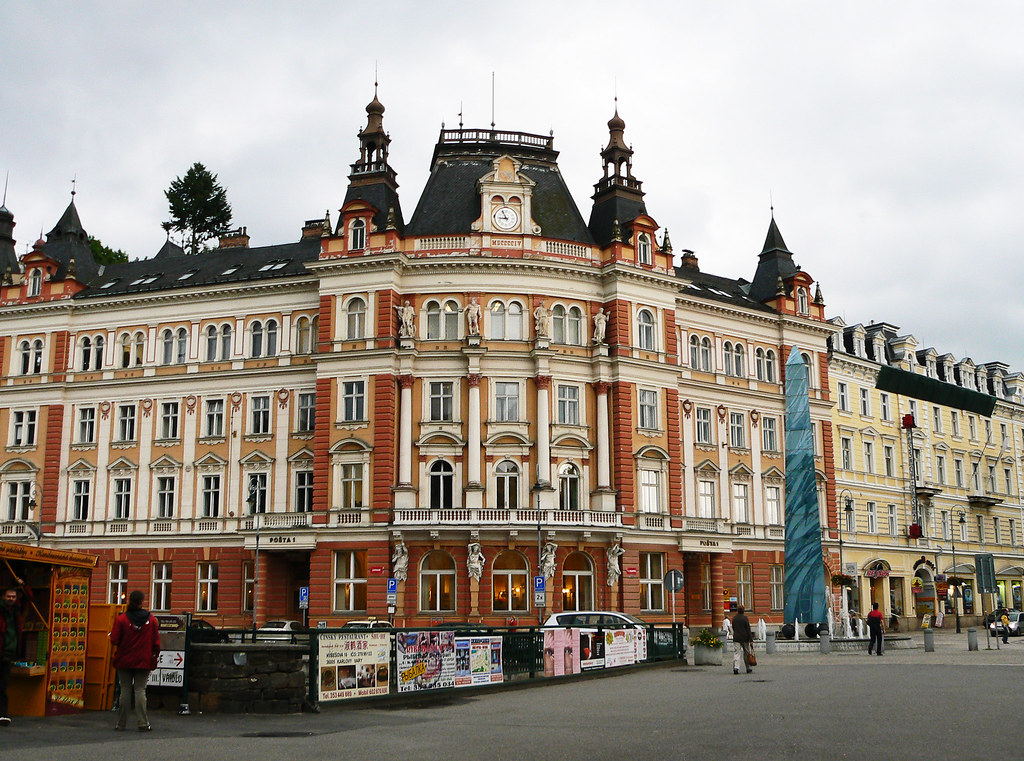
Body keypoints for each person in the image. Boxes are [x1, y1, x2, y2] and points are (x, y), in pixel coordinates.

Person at [110, 590, 160, 731]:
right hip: (143, 660)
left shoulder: (122, 619)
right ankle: (143, 723)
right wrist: (154, 655)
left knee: (125, 690)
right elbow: (156, 642)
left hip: (124, 659)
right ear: (142, 602)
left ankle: (121, 723)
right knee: (140, 690)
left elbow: (114, 639)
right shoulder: (151, 620)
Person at [0, 578, 31, 726]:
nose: (11, 599)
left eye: (13, 596)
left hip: (7, 654)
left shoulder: (16, 611)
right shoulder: (2, 611)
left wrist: (23, 584)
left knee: (3, 685)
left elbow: (29, 597)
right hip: (2, 651)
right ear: (3, 597)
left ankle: (2, 715)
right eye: (9, 596)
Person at [732, 605, 754, 675]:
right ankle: (748, 668)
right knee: (746, 653)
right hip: (745, 638)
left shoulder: (734, 618)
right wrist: (751, 640)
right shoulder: (745, 618)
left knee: (737, 653)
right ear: (743, 610)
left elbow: (733, 628)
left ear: (737, 610)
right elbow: (748, 629)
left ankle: (736, 668)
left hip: (736, 638)